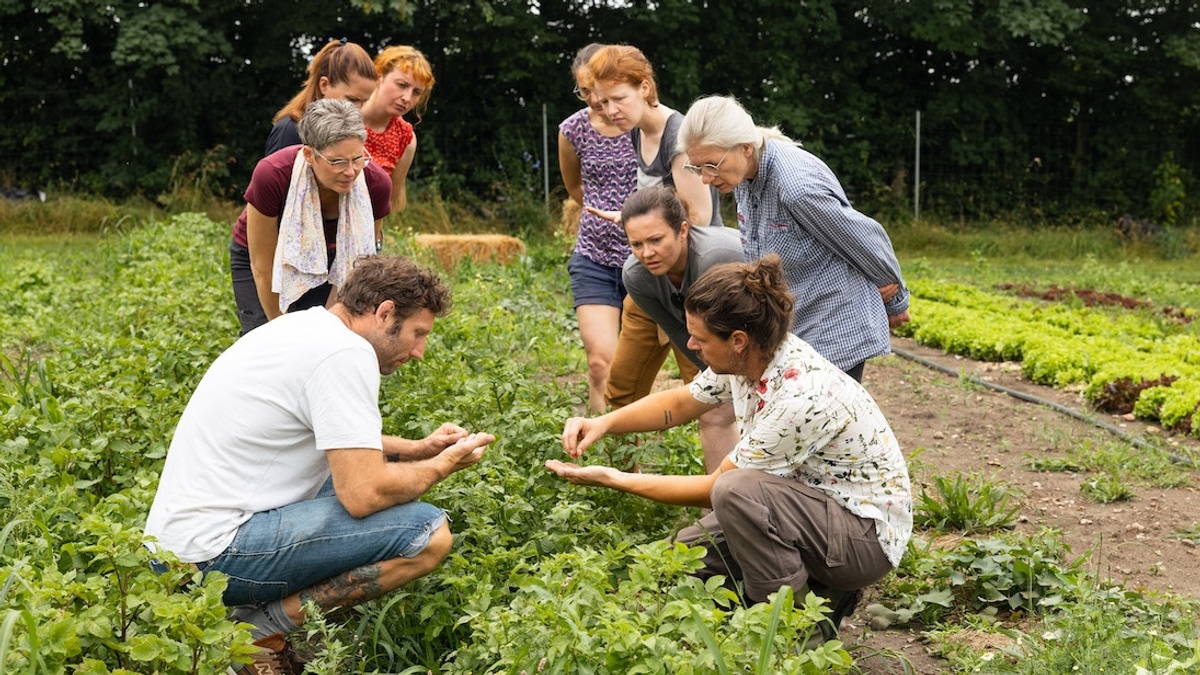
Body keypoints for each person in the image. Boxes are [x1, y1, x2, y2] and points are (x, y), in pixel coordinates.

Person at [145, 255, 496, 675]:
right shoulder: (343, 354)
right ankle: (257, 630)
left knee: (354, 474)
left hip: (173, 548)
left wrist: (422, 449)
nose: (418, 352)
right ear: (385, 313)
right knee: (428, 536)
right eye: (417, 333)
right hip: (211, 555)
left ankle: (245, 624)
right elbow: (362, 495)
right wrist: (442, 466)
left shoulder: (306, 327)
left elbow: (337, 436)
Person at [546, 255, 912, 639]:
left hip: (863, 538)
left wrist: (615, 479)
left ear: (738, 340)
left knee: (735, 492)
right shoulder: (752, 359)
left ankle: (793, 628)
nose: (690, 345)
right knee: (675, 559)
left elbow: (714, 490)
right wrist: (604, 422)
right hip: (809, 506)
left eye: (700, 339)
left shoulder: (800, 396)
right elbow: (682, 402)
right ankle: (802, 591)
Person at [678, 95, 910, 382]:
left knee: (821, 420)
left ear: (745, 147)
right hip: (798, 320)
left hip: (833, 321)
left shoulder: (796, 189)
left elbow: (865, 237)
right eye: (697, 167)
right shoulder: (743, 176)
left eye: (711, 165)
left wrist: (896, 300)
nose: (704, 178)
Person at [230, 98, 392, 336]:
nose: (350, 172)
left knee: (327, 337)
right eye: (337, 161)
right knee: (265, 337)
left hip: (336, 259)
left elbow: (359, 264)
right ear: (309, 154)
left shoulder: (375, 184)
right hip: (263, 256)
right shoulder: (272, 175)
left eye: (358, 159)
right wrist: (282, 331)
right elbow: (263, 267)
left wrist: (327, 329)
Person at [617, 187, 741, 472]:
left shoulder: (713, 260)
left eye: (656, 240)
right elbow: (679, 332)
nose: (647, 253)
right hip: (730, 337)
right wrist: (715, 375)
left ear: (682, 230)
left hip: (795, 320)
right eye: (636, 244)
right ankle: (721, 508)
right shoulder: (636, 276)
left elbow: (741, 331)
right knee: (714, 412)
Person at [557, 43, 638, 413]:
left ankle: (632, 450)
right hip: (594, 256)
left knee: (631, 372)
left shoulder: (645, 124)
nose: (592, 98)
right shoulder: (572, 130)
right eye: (583, 90)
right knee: (600, 362)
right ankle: (605, 449)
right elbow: (575, 187)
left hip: (646, 261)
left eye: (597, 88)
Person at [264, 39, 379, 156]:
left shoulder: (353, 132)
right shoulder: (290, 132)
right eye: (352, 99)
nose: (359, 109)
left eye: (365, 101)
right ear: (324, 85)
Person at [361, 45, 435, 214]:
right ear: (379, 76)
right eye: (401, 85)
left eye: (417, 92)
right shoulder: (343, 116)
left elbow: (386, 204)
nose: (407, 98)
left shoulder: (406, 139)